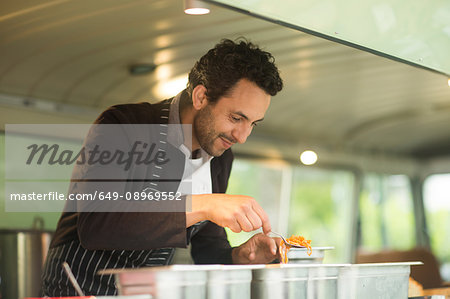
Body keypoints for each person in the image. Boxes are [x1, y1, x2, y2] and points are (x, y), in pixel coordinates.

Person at [41, 38, 283, 296]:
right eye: (236, 118)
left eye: (253, 124)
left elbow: (207, 247)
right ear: (201, 96)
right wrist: (202, 205)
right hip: (77, 289)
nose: (242, 136)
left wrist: (240, 256)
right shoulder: (123, 125)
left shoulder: (221, 157)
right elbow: (97, 224)